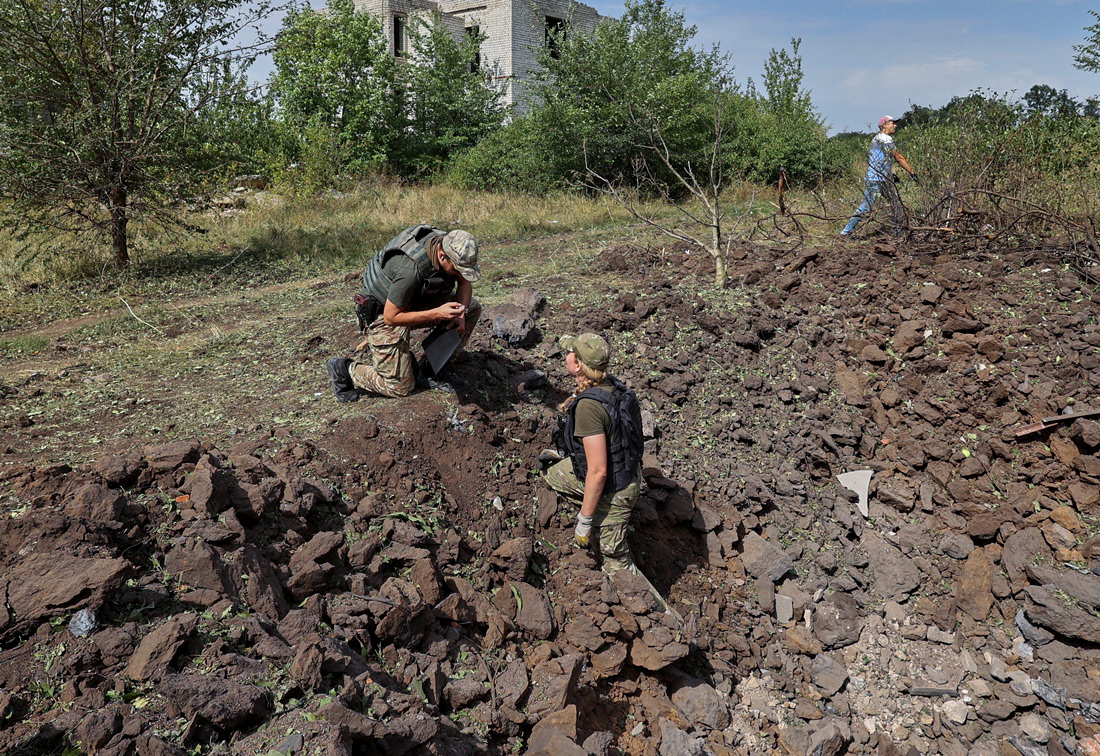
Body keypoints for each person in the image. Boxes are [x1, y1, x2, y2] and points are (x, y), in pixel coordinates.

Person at [541, 333, 673, 614]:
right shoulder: (611, 385)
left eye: (570, 353)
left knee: (616, 563)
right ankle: (599, 509)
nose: (566, 356)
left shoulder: (589, 407)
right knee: (551, 473)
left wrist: (585, 521)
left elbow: (598, 471)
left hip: (616, 489)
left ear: (577, 365)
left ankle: (668, 620)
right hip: (626, 472)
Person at [327, 225, 481, 400]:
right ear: (442, 256)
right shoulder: (409, 269)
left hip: (413, 301)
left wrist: (461, 312)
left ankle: (432, 369)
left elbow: (464, 281)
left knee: (471, 307)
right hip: (383, 312)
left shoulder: (453, 247)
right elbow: (391, 317)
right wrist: (437, 313)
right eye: (456, 269)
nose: (459, 273)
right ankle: (345, 369)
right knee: (399, 387)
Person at [841, 115, 919, 237]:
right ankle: (846, 232)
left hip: (881, 178)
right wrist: (912, 172)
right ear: (884, 125)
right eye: (892, 123)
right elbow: (898, 158)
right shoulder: (885, 139)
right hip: (877, 180)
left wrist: (890, 174)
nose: (895, 125)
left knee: (896, 204)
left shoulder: (877, 138)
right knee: (866, 206)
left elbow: (880, 160)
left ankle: (897, 232)